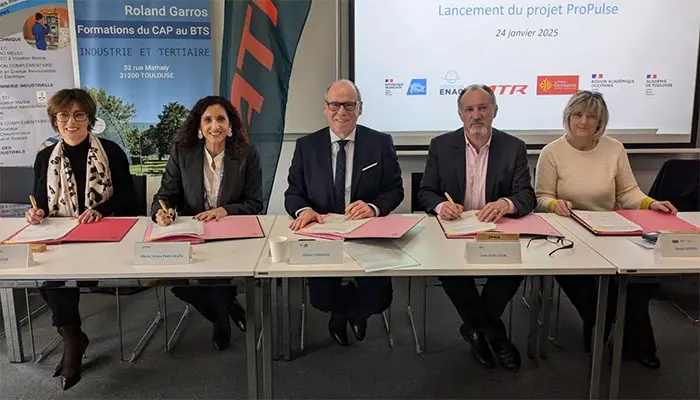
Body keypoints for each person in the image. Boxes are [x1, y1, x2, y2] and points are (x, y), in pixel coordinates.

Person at [535, 90, 676, 369]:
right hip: (569, 234)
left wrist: (651, 203)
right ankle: (608, 330)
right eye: (578, 114)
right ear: (568, 117)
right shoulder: (552, 152)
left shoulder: (614, 149)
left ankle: (624, 339)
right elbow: (541, 196)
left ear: (601, 121)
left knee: (641, 281)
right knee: (588, 289)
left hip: (611, 231)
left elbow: (627, 192)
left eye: (592, 116)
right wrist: (554, 204)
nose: (584, 121)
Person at [418, 84, 536, 372]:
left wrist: (506, 203)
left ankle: (474, 329)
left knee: (512, 271)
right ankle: (495, 335)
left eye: (483, 108)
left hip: (496, 230)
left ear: (495, 111)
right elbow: (426, 192)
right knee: (450, 272)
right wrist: (440, 206)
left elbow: (526, 196)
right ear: (460, 114)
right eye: (469, 109)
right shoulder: (441, 145)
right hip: (454, 231)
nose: (476, 115)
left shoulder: (513, 147)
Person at [26, 88, 137, 390]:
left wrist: (101, 210)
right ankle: (72, 337)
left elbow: (129, 198)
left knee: (58, 276)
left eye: (79, 115)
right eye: (63, 115)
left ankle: (72, 341)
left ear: (89, 119)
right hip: (61, 236)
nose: (71, 122)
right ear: (55, 120)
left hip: (104, 238)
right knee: (49, 275)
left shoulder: (111, 152)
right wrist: (35, 213)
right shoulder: (45, 157)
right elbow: (39, 201)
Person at [284, 79, 404, 346]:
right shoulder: (306, 146)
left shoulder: (380, 143)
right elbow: (293, 193)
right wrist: (305, 210)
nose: (342, 111)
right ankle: (343, 310)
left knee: (380, 299)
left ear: (360, 108)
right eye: (335, 105)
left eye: (349, 105)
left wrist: (373, 207)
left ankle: (353, 314)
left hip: (366, 233)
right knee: (321, 299)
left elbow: (395, 190)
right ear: (325, 108)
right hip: (322, 235)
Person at [152, 96, 262, 351]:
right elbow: (165, 195)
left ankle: (220, 322)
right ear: (199, 126)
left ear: (230, 124)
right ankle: (227, 309)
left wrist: (225, 210)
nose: (215, 126)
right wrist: (161, 212)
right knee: (174, 282)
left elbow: (255, 203)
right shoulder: (183, 153)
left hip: (231, 234)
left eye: (221, 119)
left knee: (219, 281)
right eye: (208, 120)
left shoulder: (246, 154)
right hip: (193, 234)